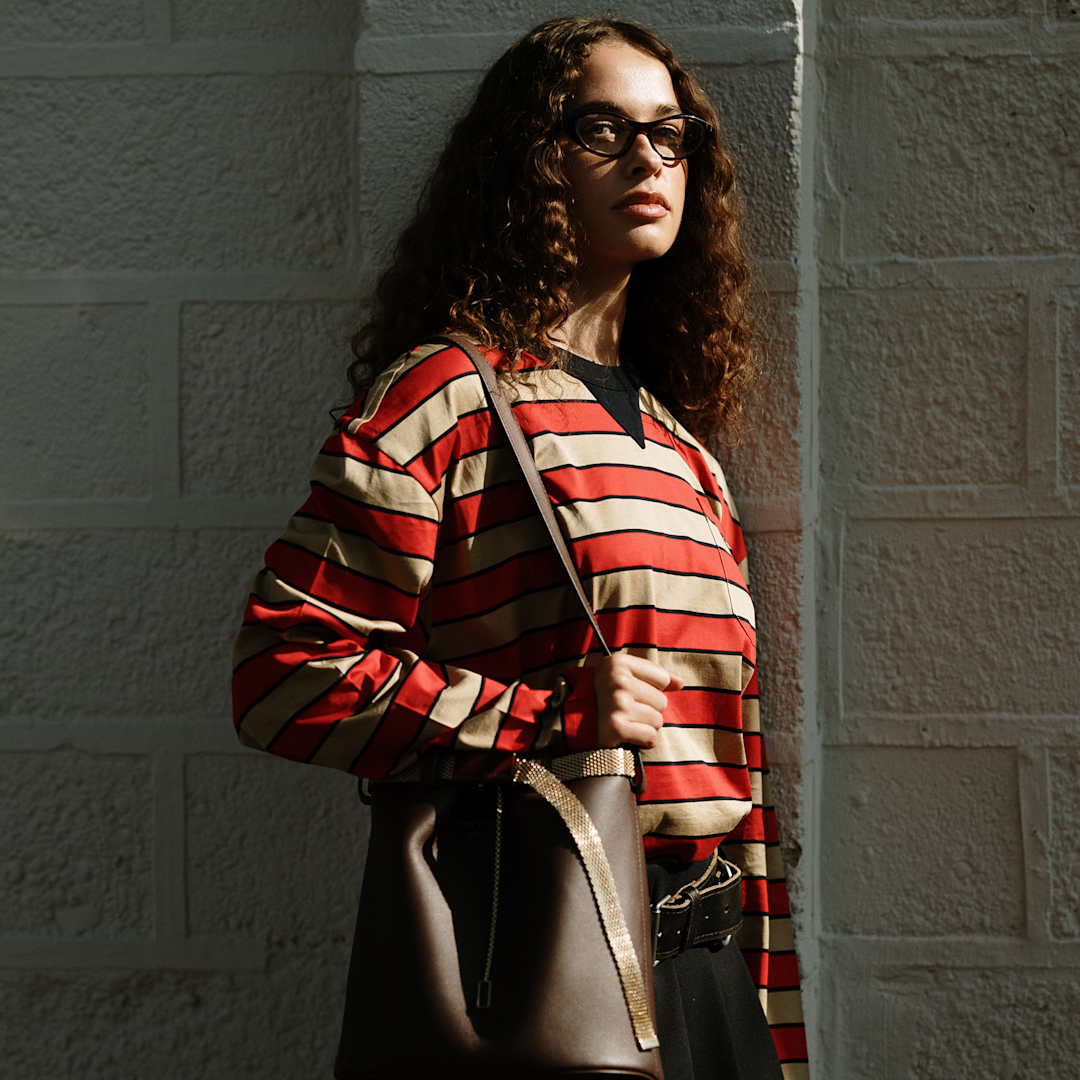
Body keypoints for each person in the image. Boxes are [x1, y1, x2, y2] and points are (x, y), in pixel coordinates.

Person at [232, 16, 808, 1080]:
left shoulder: (685, 452)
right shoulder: (448, 399)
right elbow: (282, 676)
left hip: (709, 986)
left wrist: (772, 1029)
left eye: (670, 134)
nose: (648, 159)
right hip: (551, 973)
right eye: (603, 129)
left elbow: (737, 783)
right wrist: (547, 715)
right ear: (531, 160)